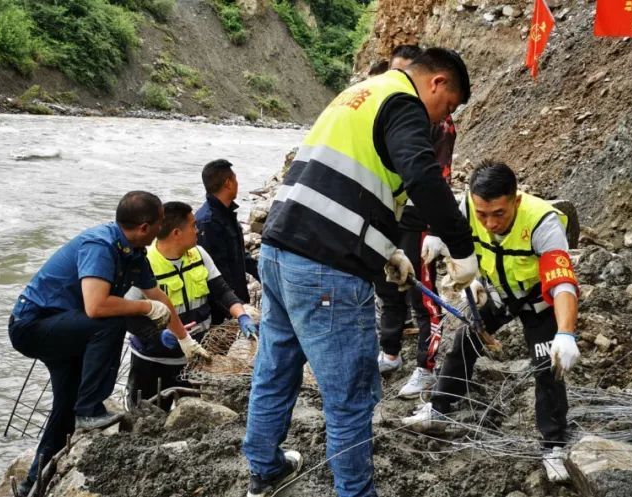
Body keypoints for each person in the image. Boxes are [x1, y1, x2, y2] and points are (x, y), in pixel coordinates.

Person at [242, 47, 479, 497]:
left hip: (278, 251)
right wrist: (461, 247)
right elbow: (422, 176)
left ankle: (264, 468)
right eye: (447, 107)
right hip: (325, 268)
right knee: (350, 395)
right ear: (437, 83)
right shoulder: (403, 102)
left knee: (275, 369)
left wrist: (388, 251)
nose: (442, 119)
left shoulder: (360, 94)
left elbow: (350, 185)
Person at [8, 191, 209, 497]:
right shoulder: (100, 245)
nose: (163, 228)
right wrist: (144, 308)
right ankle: (90, 408)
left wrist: (184, 339)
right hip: (33, 325)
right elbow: (96, 307)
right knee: (111, 322)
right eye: (160, 223)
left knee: (65, 406)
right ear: (145, 227)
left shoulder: (134, 252)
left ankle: (32, 483)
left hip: (69, 327)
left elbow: (157, 295)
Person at [402, 160, 582, 483]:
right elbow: (447, 221)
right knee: (464, 341)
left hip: (538, 301)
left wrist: (566, 333)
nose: (489, 223)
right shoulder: (468, 208)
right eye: (482, 214)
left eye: (499, 213)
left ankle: (553, 445)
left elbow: (562, 284)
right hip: (496, 293)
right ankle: (439, 408)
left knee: (547, 367)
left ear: (516, 200)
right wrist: (439, 238)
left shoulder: (542, 223)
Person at [375, 44, 460, 401]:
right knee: (388, 284)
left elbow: (439, 176)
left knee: (422, 294)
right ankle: (390, 351)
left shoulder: (439, 122)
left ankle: (426, 367)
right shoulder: (389, 106)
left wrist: (439, 231)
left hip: (418, 218)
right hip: (389, 213)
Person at [125, 201, 259, 411]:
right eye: (193, 226)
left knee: (189, 414)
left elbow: (222, 291)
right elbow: (128, 316)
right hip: (152, 362)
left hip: (193, 358)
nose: (197, 231)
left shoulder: (199, 254)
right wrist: (159, 336)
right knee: (146, 416)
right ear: (177, 233)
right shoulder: (144, 264)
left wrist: (241, 315)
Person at [196, 159, 259, 323]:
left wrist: (264, 274)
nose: (238, 184)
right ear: (228, 183)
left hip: (236, 301)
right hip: (221, 309)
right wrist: (234, 308)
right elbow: (214, 273)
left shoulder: (227, 213)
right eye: (236, 179)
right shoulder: (208, 222)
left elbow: (240, 255)